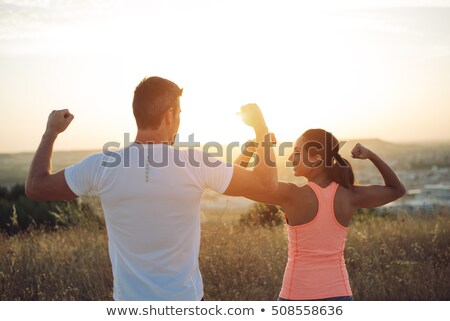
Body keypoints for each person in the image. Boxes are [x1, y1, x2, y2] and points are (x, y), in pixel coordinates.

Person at [25, 76, 277, 300]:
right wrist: (261, 128)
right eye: (179, 114)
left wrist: (51, 132)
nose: (178, 121)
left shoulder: (101, 165)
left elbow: (36, 187)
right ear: (169, 115)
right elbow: (266, 184)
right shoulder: (195, 162)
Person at [236, 129, 406, 300]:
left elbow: (237, 183)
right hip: (340, 295)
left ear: (316, 158)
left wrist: (250, 151)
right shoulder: (350, 195)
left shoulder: (292, 195)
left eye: (296, 152)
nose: (290, 159)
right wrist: (370, 155)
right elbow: (397, 190)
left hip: (296, 296)